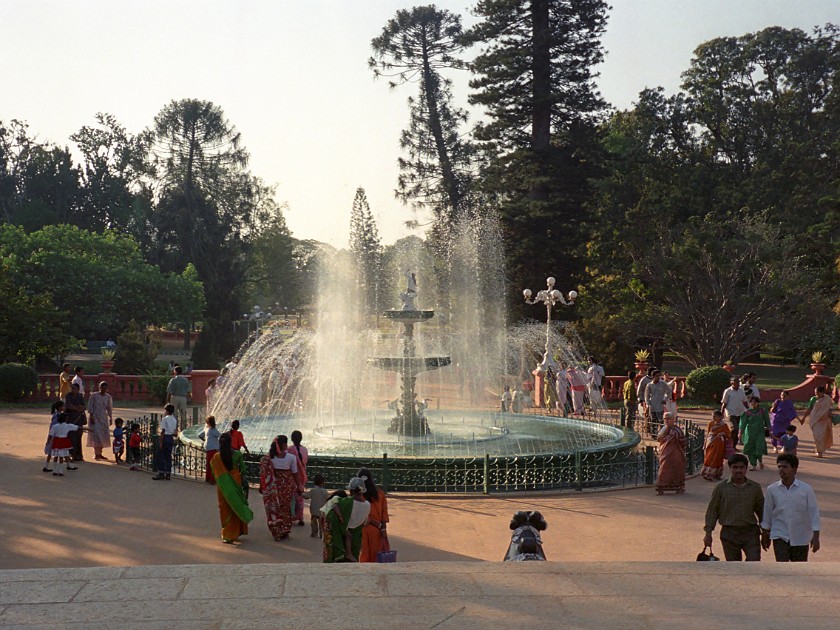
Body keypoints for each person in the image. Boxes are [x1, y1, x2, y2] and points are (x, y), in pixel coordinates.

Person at [703, 453, 765, 561]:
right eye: (735, 467)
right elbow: (713, 511)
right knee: (734, 566)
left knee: (754, 562)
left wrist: (765, 533)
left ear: (746, 468)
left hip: (750, 533)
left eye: (741, 467)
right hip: (729, 533)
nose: (738, 471)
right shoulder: (721, 488)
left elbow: (762, 511)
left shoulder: (755, 488)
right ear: (730, 468)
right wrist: (708, 533)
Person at [761, 453, 821, 562]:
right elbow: (767, 512)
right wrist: (765, 534)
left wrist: (816, 536)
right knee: (782, 568)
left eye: (785, 467)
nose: (781, 469)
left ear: (794, 469)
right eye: (779, 466)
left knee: (798, 569)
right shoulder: (772, 489)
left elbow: (814, 513)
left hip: (800, 537)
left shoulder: (806, 490)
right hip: (779, 535)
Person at [210, 432, 254, 544]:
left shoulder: (216, 457)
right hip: (235, 482)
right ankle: (238, 531)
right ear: (231, 442)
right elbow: (243, 470)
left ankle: (228, 534)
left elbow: (214, 471)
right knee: (236, 505)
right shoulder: (238, 454)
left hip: (223, 486)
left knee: (225, 508)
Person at [258, 435, 303, 541]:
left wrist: (261, 486)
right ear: (283, 445)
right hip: (286, 487)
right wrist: (299, 486)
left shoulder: (268, 458)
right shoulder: (291, 458)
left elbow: (264, 475)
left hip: (273, 488)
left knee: (274, 508)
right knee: (285, 508)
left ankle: (276, 531)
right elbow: (295, 473)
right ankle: (285, 529)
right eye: (286, 443)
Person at [322, 477, 371, 563]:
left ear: (351, 491)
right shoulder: (368, 505)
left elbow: (330, 506)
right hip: (355, 540)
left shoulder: (345, 502)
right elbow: (365, 522)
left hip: (339, 537)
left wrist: (340, 517)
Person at [358, 467, 389, 563]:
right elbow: (384, 514)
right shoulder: (380, 493)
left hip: (361, 528)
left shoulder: (358, 494)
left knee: (364, 554)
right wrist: (383, 529)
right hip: (377, 529)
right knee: (377, 555)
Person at [655, 412, 686, 495]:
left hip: (676, 453)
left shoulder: (678, 430)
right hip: (665, 453)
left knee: (677, 469)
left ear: (673, 419)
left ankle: (678, 486)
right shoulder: (663, 429)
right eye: (665, 418)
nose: (666, 420)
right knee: (664, 469)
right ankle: (662, 486)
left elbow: (683, 442)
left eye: (668, 418)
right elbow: (659, 438)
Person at [740, 396, 770, 471]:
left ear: (758, 403)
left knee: (759, 447)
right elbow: (742, 423)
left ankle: (760, 460)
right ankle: (753, 465)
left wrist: (769, 430)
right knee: (750, 448)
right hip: (749, 433)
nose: (753, 404)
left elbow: (767, 421)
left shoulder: (762, 411)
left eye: (755, 402)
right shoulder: (746, 412)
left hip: (760, 432)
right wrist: (740, 433)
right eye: (751, 402)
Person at [701, 410, 732, 481]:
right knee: (709, 457)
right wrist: (705, 443)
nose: (714, 418)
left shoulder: (724, 425)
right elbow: (708, 434)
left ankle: (715, 474)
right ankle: (707, 473)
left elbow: (729, 435)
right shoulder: (711, 424)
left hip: (719, 445)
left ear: (720, 417)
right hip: (711, 443)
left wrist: (723, 434)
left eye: (715, 416)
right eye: (713, 417)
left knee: (717, 459)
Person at [803, 386, 833, 458]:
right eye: (815, 392)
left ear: (822, 392)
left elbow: (830, 407)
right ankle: (818, 450)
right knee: (817, 436)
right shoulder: (813, 399)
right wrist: (803, 418)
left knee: (821, 436)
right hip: (815, 420)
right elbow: (809, 408)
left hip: (824, 420)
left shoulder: (827, 398)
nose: (816, 394)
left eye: (817, 393)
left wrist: (830, 413)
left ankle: (820, 452)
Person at [86, 381, 113, 461]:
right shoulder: (94, 396)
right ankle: (96, 453)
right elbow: (90, 406)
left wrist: (110, 417)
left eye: (105, 388)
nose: (103, 390)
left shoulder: (108, 397)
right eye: (102, 388)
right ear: (99, 387)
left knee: (103, 435)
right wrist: (91, 416)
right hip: (95, 416)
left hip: (103, 417)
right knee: (96, 435)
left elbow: (109, 408)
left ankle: (100, 453)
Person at [152, 403, 178, 481]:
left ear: (166, 411)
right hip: (171, 437)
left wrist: (160, 442)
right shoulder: (174, 419)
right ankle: (168, 473)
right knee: (168, 456)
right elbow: (175, 431)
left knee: (161, 455)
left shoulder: (165, 419)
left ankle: (161, 472)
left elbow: (163, 431)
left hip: (165, 437)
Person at [721, 377, 749, 447]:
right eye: (736, 382)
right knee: (734, 428)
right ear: (732, 383)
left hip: (740, 412)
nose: (737, 384)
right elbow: (724, 403)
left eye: (738, 382)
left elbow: (745, 402)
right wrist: (721, 413)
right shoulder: (728, 391)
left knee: (738, 430)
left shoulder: (741, 391)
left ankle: (733, 446)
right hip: (731, 412)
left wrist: (749, 410)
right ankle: (729, 443)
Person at [288, 430, 309, 526]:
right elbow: (305, 462)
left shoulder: (289, 449)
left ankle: (291, 515)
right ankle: (300, 517)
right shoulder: (305, 450)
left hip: (292, 475)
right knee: (300, 496)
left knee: (291, 496)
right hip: (302, 475)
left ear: (292, 439)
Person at [48, 412, 77, 477]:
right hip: (64, 441)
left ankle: (55, 471)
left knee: (56, 456)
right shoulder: (68, 425)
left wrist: (48, 441)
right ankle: (60, 471)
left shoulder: (55, 426)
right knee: (61, 456)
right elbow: (78, 427)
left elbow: (51, 435)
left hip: (56, 441)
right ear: (66, 419)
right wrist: (89, 429)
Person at [64, 382, 86, 462]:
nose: (73, 390)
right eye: (72, 388)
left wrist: (79, 408)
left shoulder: (80, 397)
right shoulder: (68, 396)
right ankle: (70, 455)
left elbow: (84, 406)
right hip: (70, 419)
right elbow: (68, 405)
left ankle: (78, 455)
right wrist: (77, 408)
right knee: (70, 437)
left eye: (75, 389)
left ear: (78, 390)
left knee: (78, 437)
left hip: (79, 419)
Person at [302, 474, 329, 538]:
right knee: (321, 522)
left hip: (313, 510)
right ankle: (321, 533)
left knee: (313, 522)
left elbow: (307, 496)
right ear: (323, 483)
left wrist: (301, 494)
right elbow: (327, 499)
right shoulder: (325, 491)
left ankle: (314, 533)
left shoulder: (313, 491)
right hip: (322, 510)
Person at [199, 416, 221, 484]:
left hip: (208, 448)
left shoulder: (206, 429)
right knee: (213, 464)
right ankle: (212, 479)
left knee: (208, 463)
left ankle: (207, 478)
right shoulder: (213, 430)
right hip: (213, 448)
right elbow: (220, 435)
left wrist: (205, 440)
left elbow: (200, 435)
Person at [43, 401, 63, 472]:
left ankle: (46, 466)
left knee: (50, 453)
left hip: (53, 435)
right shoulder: (58, 416)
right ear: (60, 407)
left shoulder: (55, 414)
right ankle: (55, 469)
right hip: (56, 436)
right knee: (56, 452)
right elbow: (54, 426)